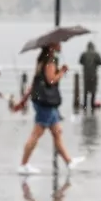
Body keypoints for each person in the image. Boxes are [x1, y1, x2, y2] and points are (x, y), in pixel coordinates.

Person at [15, 43, 83, 175]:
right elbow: (51, 80)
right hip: (46, 103)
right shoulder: (50, 60)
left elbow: (35, 82)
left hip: (43, 102)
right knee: (36, 134)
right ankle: (23, 164)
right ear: (52, 46)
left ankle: (69, 162)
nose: (61, 45)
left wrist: (23, 100)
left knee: (57, 132)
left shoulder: (41, 59)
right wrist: (62, 72)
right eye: (58, 43)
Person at [78, 42, 101, 111]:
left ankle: (85, 104)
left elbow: (80, 62)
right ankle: (92, 104)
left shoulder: (84, 54)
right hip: (93, 75)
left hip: (86, 75)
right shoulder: (96, 54)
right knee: (93, 89)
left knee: (86, 90)